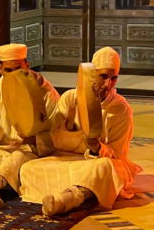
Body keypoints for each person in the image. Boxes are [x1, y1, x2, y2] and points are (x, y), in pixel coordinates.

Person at [19, 47, 141, 216]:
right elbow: (54, 138)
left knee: (104, 168)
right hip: (66, 158)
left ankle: (67, 199)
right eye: (103, 76)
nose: (108, 84)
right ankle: (70, 195)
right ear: (92, 75)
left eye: (113, 78)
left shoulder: (121, 109)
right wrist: (71, 133)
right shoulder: (70, 98)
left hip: (98, 162)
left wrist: (98, 148)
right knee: (29, 167)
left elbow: (118, 154)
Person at [0, 43, 60, 210]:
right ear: (0, 69)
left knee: (16, 159)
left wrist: (31, 138)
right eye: (8, 70)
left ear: (27, 66)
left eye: (18, 69)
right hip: (0, 148)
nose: (14, 75)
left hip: (31, 150)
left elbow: (56, 136)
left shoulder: (46, 93)